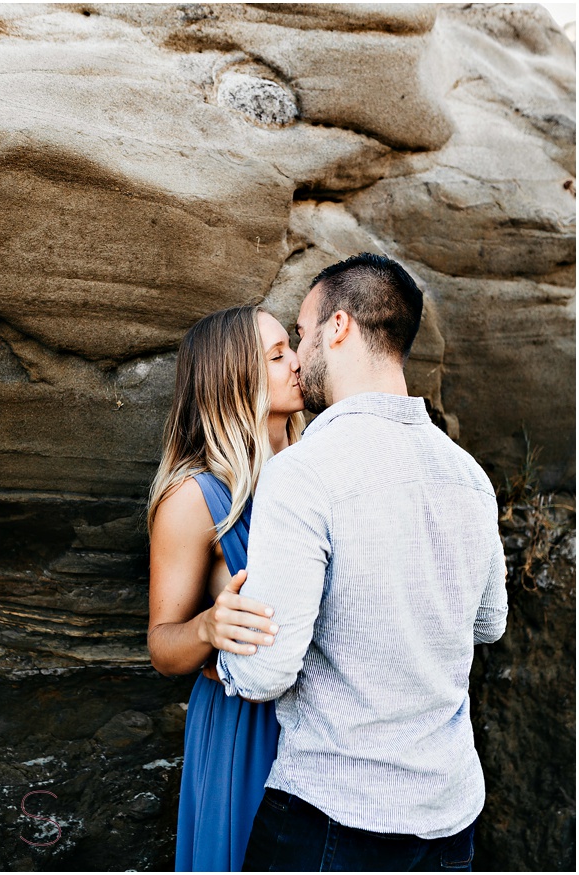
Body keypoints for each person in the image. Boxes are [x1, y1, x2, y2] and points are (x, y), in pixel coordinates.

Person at [218, 253, 507, 870]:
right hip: (450, 818)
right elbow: (490, 624)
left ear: (339, 327)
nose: (298, 354)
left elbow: (267, 672)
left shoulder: (303, 473)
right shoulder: (470, 475)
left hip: (335, 815)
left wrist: (225, 653)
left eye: (301, 332)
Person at [146, 305, 304, 871]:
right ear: (234, 377)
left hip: (327, 727)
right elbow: (163, 647)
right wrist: (208, 627)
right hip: (244, 733)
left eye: (294, 347)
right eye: (277, 355)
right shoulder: (195, 498)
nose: (297, 363)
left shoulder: (319, 470)